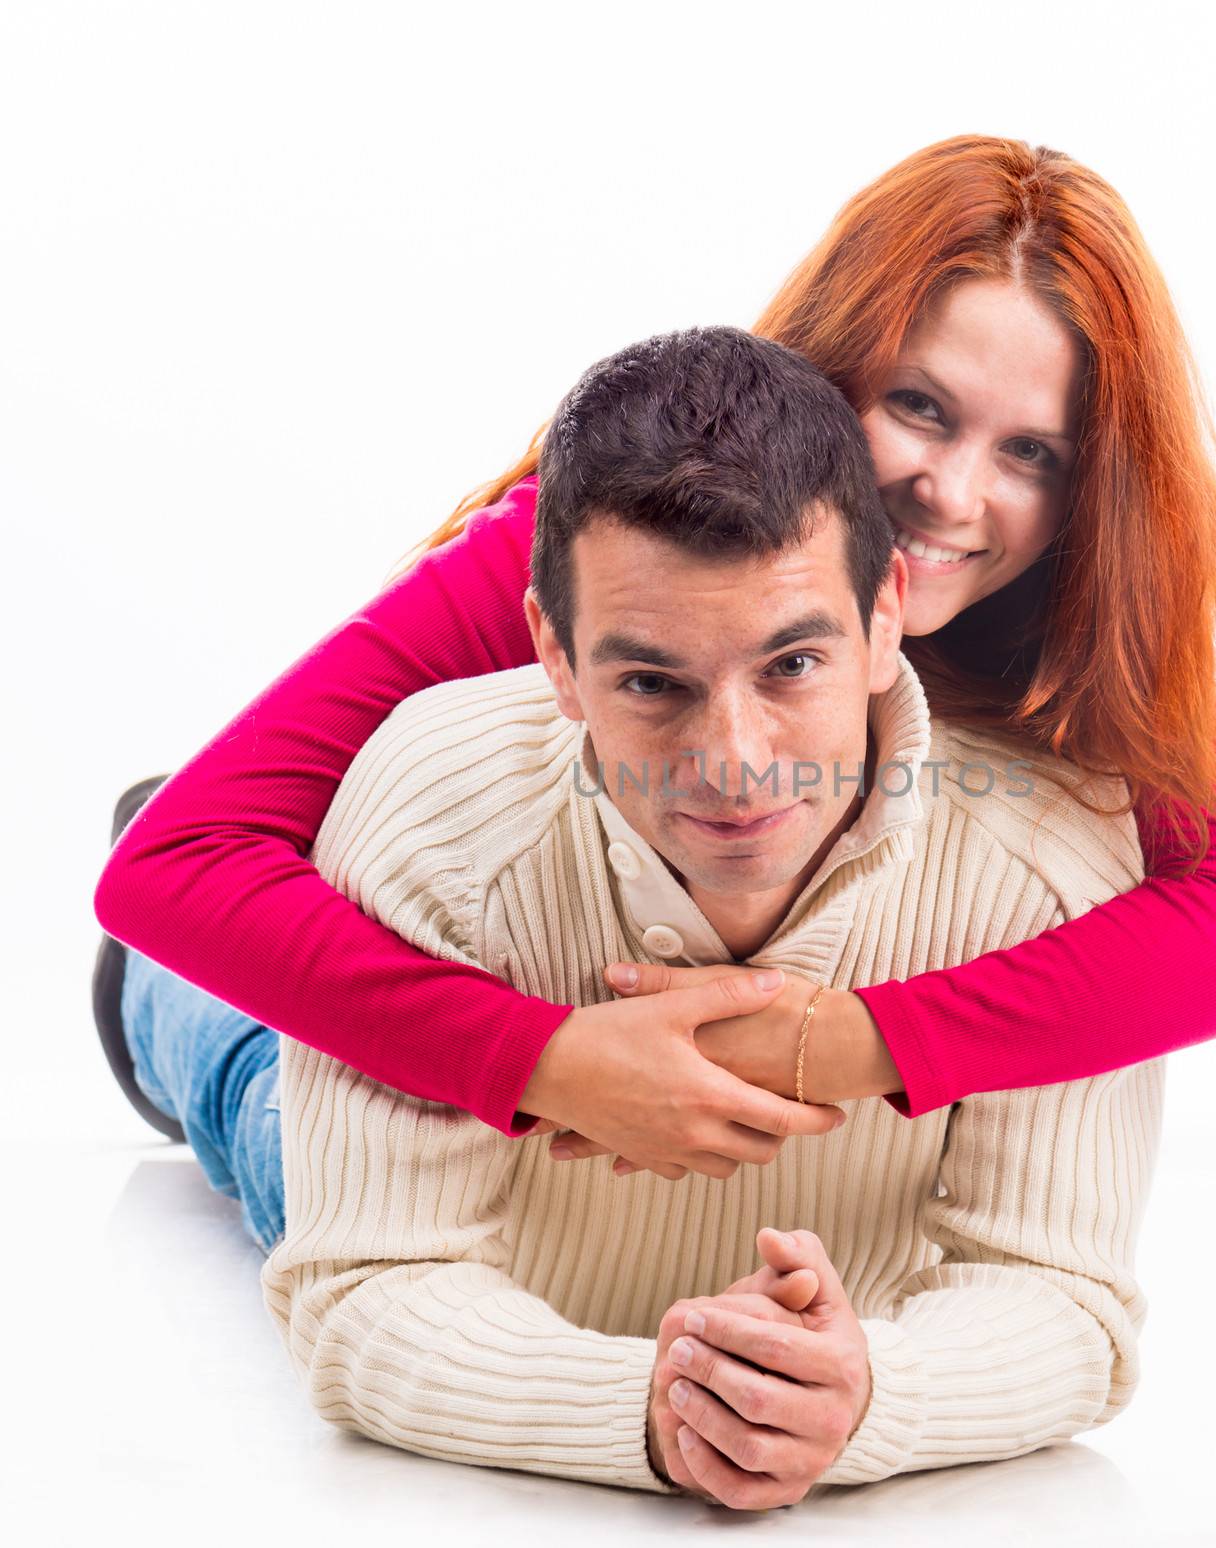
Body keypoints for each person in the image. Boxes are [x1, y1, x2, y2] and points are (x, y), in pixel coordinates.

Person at [93, 133, 1216, 1204]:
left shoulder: (1081, 607)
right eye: (920, 407)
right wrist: (545, 1063)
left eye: (1032, 453)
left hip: (779, 1109)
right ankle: (164, 1009)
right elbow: (182, 865)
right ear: (834, 368)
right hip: (485, 959)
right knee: (308, 1164)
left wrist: (846, 1045)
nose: (952, 496)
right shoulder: (608, 554)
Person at [259, 324, 1164, 1505]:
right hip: (372, 1111)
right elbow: (365, 1286)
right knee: (242, 1096)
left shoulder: (1047, 862)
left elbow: (1065, 1299)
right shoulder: (430, 811)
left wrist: (863, 1396)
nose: (735, 769)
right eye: (650, 684)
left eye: (791, 666)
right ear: (552, 650)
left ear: (888, 607)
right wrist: (649, 1408)